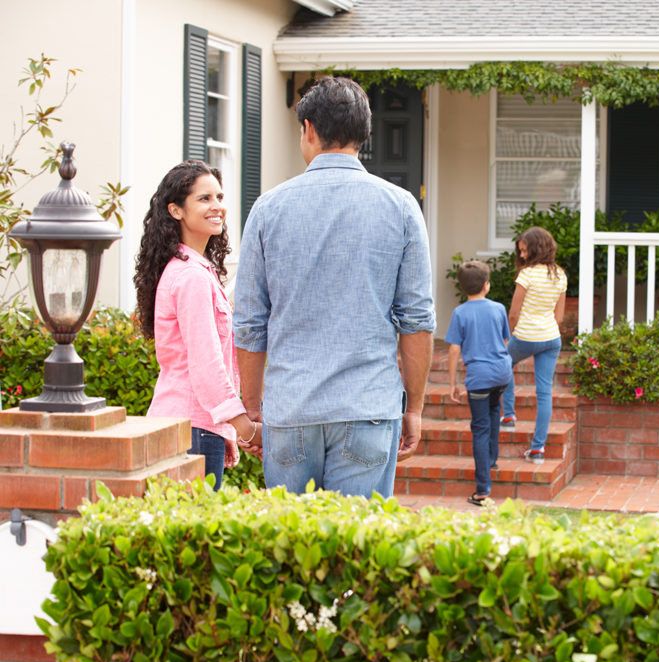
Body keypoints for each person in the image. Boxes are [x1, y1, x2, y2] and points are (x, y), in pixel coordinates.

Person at [233, 76, 435, 498]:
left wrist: (252, 409)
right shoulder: (400, 207)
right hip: (368, 407)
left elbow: (251, 323)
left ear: (308, 129)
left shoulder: (268, 208)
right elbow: (416, 321)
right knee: (357, 553)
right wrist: (413, 408)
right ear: (364, 133)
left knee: (291, 550)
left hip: (291, 410)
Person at [133, 160, 262, 491]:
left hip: (184, 425)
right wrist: (245, 427)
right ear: (176, 210)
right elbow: (206, 367)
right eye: (204, 199)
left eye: (219, 197)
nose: (217, 206)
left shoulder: (191, 270)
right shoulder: (191, 276)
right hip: (193, 429)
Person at [445, 261, 513, 506]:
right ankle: (491, 459)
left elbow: (454, 349)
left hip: (479, 377)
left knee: (480, 427)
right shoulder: (498, 309)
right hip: (502, 374)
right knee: (494, 411)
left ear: (463, 288)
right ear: (486, 285)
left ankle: (483, 489)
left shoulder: (460, 313)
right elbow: (505, 340)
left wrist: (452, 382)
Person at [500, 226, 568, 464]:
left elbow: (513, 313)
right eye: (521, 252)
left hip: (526, 336)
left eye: (526, 250)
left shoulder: (527, 275)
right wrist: (547, 333)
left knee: (503, 364)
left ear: (537, 248)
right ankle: (538, 449)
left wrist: (508, 337)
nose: (523, 256)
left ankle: (508, 415)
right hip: (551, 339)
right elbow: (559, 317)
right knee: (544, 392)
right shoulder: (560, 275)